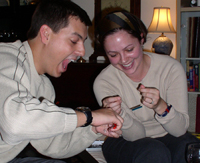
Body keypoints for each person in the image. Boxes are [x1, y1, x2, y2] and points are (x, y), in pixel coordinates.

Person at [0, 1, 124, 162]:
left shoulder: (44, 87)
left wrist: (92, 129)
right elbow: (15, 124)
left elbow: (53, 145)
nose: (82, 51)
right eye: (74, 41)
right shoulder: (7, 59)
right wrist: (89, 116)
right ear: (46, 34)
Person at [93, 10, 200, 163]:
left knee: (191, 148)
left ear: (141, 38)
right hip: (125, 141)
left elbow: (179, 130)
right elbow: (136, 136)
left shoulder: (170, 69)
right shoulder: (104, 82)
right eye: (113, 54)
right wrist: (120, 113)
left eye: (129, 49)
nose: (123, 60)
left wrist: (161, 107)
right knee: (154, 152)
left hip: (169, 135)